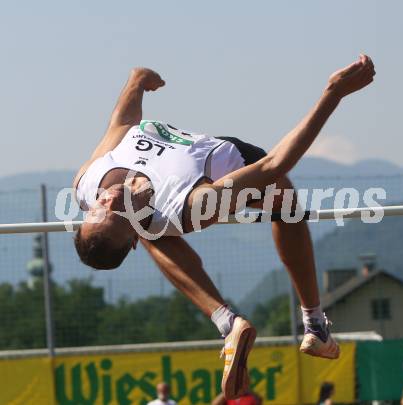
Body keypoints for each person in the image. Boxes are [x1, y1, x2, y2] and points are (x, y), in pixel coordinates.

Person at [73, 54, 375, 399]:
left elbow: (121, 123)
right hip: (232, 158)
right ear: (132, 239)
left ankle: (231, 323)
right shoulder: (183, 206)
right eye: (117, 211)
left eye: (100, 205)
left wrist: (136, 82)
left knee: (149, 227)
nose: (109, 199)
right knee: (287, 206)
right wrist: (333, 94)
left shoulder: (86, 182)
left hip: (175, 163)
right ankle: (313, 323)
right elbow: (274, 163)